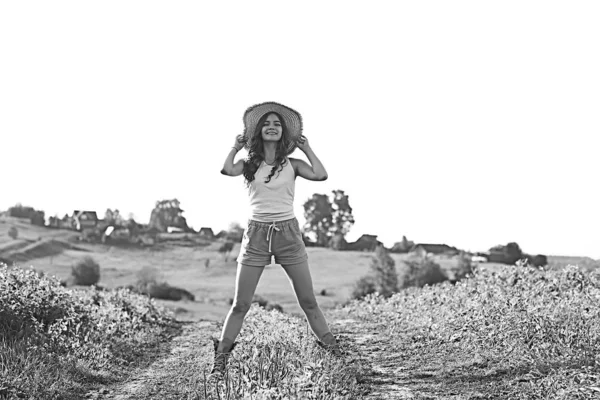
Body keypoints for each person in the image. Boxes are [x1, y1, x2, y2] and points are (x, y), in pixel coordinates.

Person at [212, 102, 340, 375]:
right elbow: (226, 169)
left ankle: (334, 351)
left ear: (284, 133)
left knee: (308, 301)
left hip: (288, 233)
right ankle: (220, 358)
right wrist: (235, 146)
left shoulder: (292, 164)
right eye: (267, 123)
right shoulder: (249, 164)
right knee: (241, 304)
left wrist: (306, 148)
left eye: (277, 124)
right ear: (259, 131)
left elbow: (321, 174)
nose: (272, 127)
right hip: (256, 234)